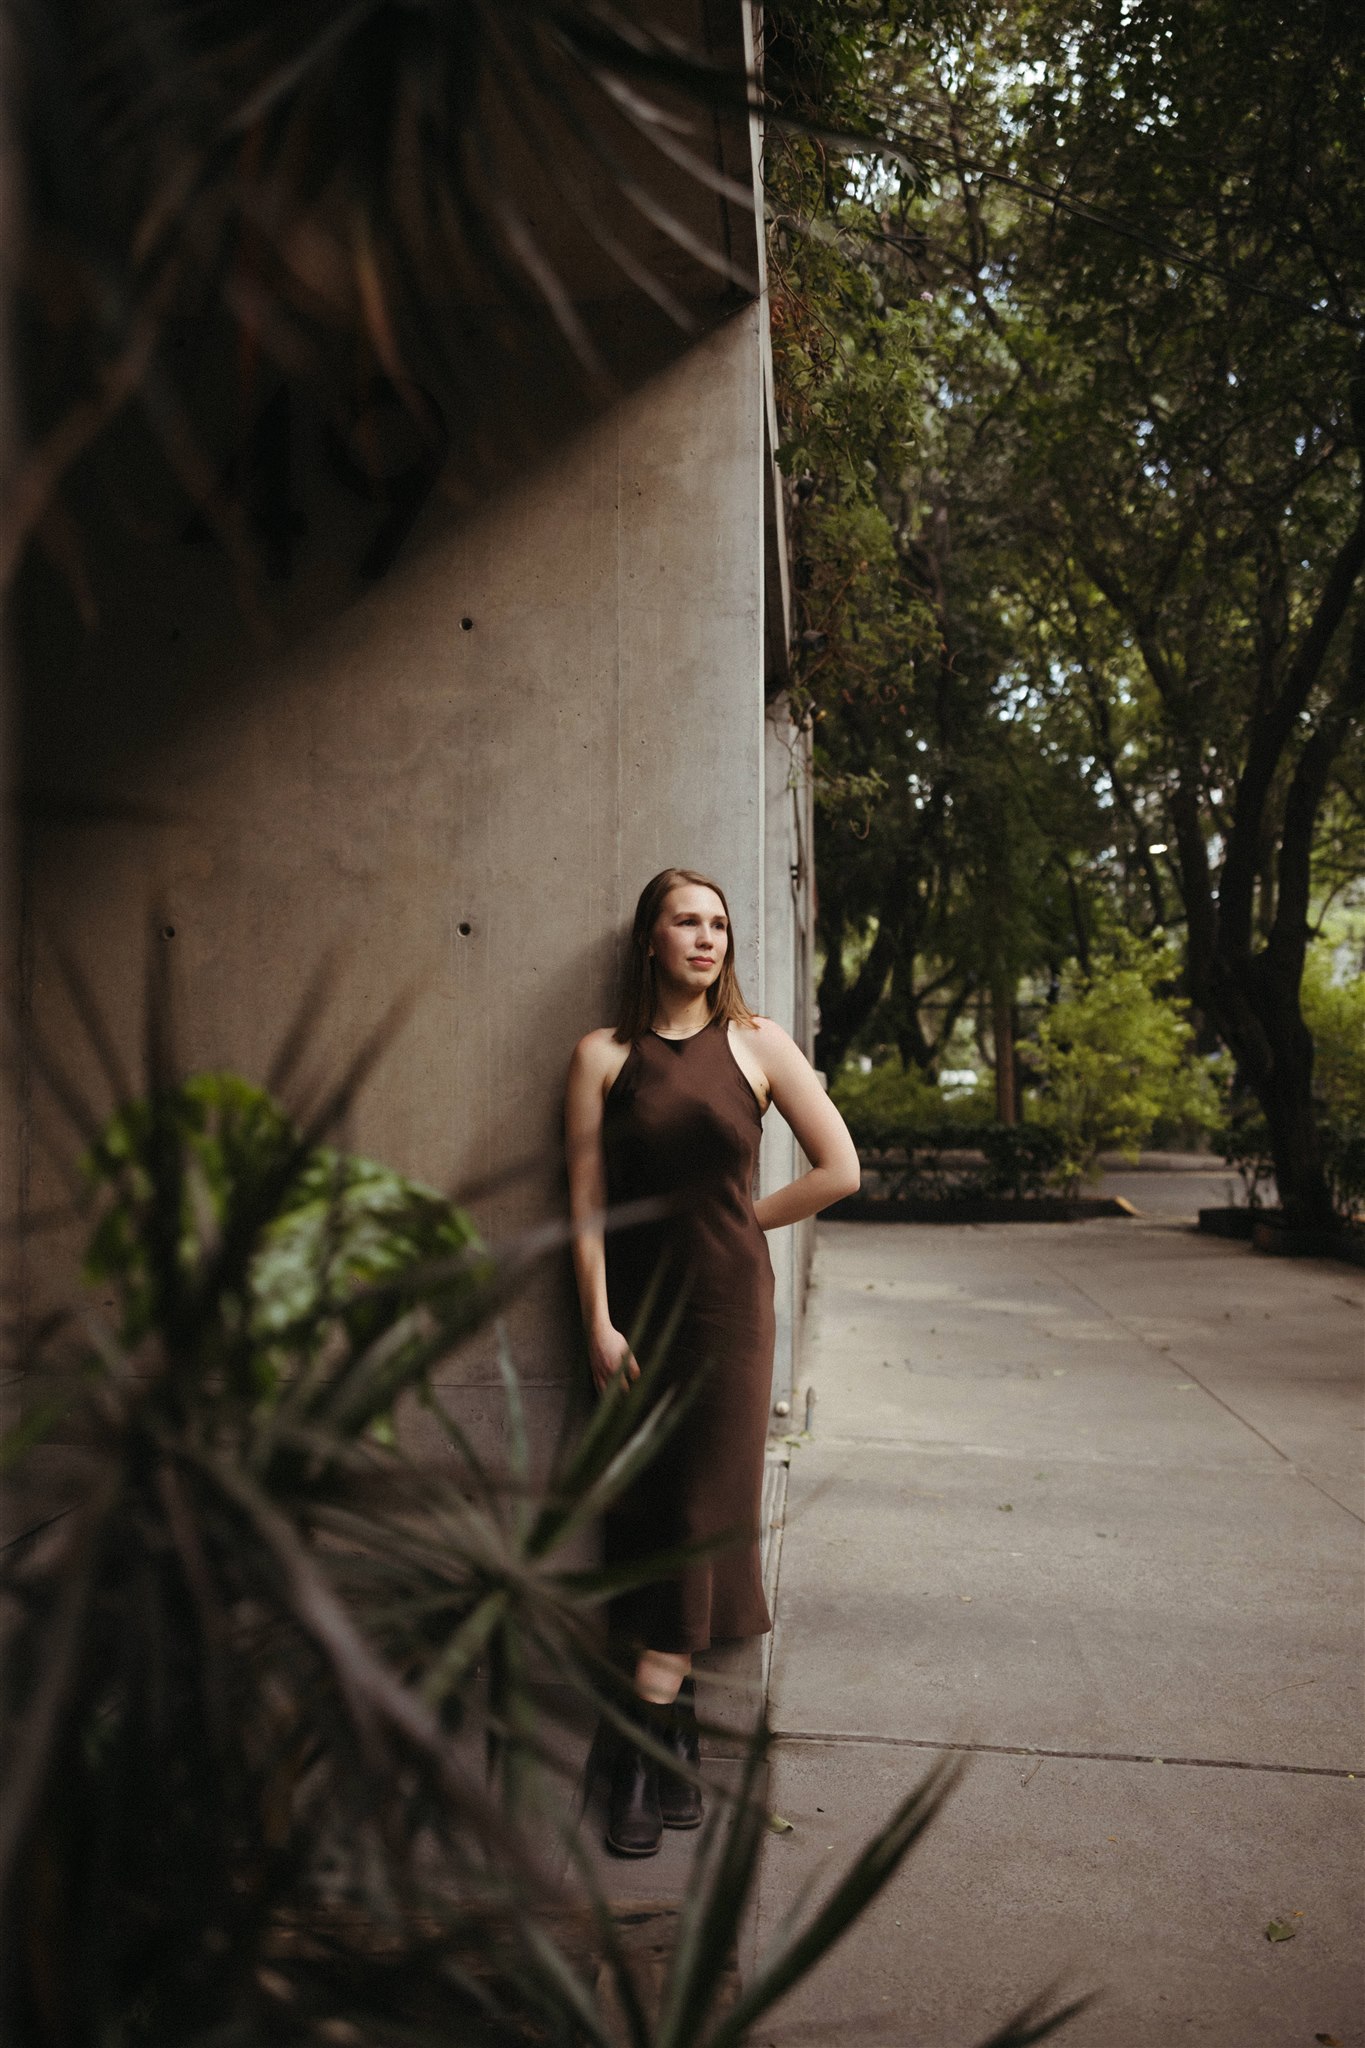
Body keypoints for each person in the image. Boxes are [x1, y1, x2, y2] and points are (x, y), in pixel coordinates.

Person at [564, 866, 860, 1856]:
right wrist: (598, 1321)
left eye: (719, 923)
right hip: (640, 1316)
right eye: (685, 920)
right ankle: (675, 1718)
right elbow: (586, 1202)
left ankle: (635, 1752)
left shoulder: (760, 1043)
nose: (706, 937)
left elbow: (842, 1168)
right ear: (650, 938)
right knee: (650, 1514)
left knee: (702, 1513)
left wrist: (746, 1219)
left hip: (731, 1310)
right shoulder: (603, 1055)